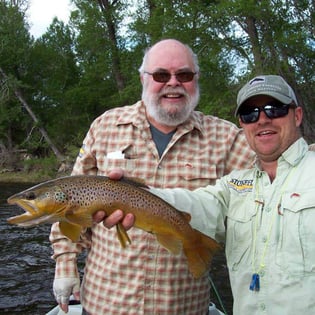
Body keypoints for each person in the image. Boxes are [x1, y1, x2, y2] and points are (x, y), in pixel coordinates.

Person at [50, 38, 255, 315]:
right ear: (143, 79)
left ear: (196, 79)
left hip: (183, 307)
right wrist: (65, 266)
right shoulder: (105, 125)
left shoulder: (228, 137)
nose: (173, 83)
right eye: (161, 75)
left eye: (184, 74)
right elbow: (68, 201)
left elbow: (273, 169)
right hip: (105, 303)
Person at [107, 74, 315, 314]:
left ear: (297, 115)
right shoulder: (233, 184)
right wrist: (133, 196)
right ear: (243, 125)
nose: (262, 119)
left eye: (274, 109)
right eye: (250, 114)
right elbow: (197, 204)